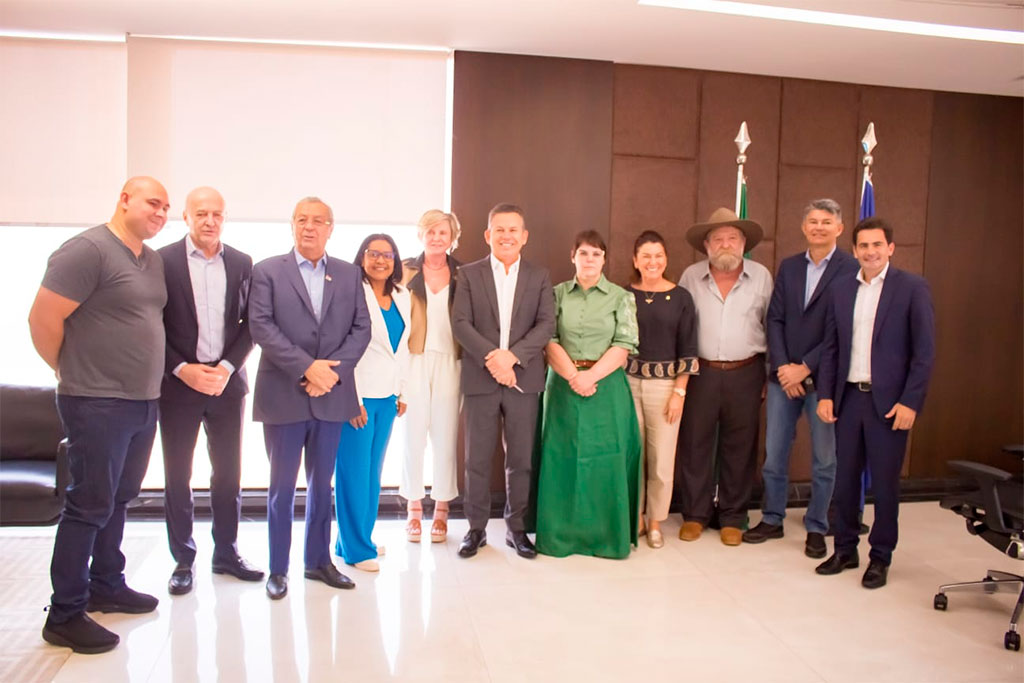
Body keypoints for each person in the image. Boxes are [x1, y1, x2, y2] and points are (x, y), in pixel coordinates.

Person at [29, 177, 169, 654]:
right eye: (153, 202)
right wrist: (72, 371)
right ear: (124, 199)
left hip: (141, 400)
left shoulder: (149, 260)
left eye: (166, 208)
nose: (161, 212)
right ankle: (66, 613)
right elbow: (42, 320)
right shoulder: (86, 250)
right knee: (87, 505)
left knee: (119, 497)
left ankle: (106, 583)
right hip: (95, 401)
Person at [249, 196, 371, 599]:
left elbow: (361, 329)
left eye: (318, 221)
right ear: (292, 225)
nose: (310, 227)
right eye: (302, 219)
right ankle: (278, 569)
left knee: (323, 486)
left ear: (331, 228)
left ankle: (317, 562)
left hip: (331, 396)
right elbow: (262, 326)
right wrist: (307, 367)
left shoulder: (349, 274)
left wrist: (329, 375)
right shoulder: (267, 271)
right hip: (283, 394)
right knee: (281, 488)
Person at [815, 217, 935, 589]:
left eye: (877, 245)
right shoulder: (840, 289)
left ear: (890, 248)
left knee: (884, 486)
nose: (870, 252)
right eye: (863, 246)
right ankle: (845, 549)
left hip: (889, 405)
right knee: (845, 481)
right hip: (849, 399)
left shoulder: (912, 288)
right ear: (855, 251)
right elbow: (831, 348)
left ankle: (880, 557)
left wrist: (910, 402)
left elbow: (924, 352)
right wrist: (825, 395)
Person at [158, 186, 263, 596]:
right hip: (178, 386)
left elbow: (250, 325)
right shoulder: (161, 261)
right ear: (185, 217)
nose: (209, 221)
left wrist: (224, 368)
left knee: (228, 474)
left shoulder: (240, 262)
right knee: (177, 475)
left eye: (216, 214)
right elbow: (154, 325)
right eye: (201, 213)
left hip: (225, 385)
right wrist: (183, 369)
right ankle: (183, 559)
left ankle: (227, 552)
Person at [743, 199, 858, 558]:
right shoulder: (790, 267)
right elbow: (774, 319)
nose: (819, 227)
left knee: (825, 458)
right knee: (774, 453)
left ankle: (817, 525)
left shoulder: (851, 268)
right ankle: (773, 518)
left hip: (824, 380)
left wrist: (805, 367)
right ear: (804, 226)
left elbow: (844, 328)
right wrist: (782, 368)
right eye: (813, 221)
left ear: (839, 228)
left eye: (827, 222)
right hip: (783, 379)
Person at [451, 203, 555, 560]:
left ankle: (516, 528)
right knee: (476, 458)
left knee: (521, 459)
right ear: (488, 235)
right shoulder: (468, 274)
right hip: (481, 378)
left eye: (514, 230)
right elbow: (461, 324)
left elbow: (546, 325)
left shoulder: (539, 276)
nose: (507, 236)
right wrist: (493, 358)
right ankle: (476, 528)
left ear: (524, 237)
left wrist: (512, 357)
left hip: (523, 379)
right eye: (500, 229)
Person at [536, 230, 642, 559]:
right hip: (563, 386)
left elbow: (625, 344)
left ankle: (605, 537)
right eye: (584, 253)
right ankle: (560, 537)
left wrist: (591, 377)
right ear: (573, 257)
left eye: (596, 254)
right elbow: (547, 337)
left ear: (604, 259)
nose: (590, 259)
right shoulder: (555, 294)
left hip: (606, 385)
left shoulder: (621, 297)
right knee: (560, 457)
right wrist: (572, 376)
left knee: (606, 459)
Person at [677, 208, 772, 546]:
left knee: (740, 446)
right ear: (706, 245)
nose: (726, 244)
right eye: (718, 238)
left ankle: (733, 515)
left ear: (744, 242)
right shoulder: (690, 276)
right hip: (700, 373)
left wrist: (766, 376)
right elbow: (682, 327)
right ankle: (695, 514)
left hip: (745, 372)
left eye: (733, 237)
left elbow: (771, 325)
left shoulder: (762, 276)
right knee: (695, 444)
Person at [334, 234, 410, 572]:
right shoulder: (351, 293)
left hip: (388, 397)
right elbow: (344, 350)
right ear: (362, 257)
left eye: (388, 254)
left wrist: (402, 391)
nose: (381, 260)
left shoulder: (401, 295)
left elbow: (403, 348)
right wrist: (351, 400)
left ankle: (353, 538)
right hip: (359, 398)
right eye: (373, 253)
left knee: (373, 474)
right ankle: (356, 549)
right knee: (353, 473)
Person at [627, 230, 698, 549]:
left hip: (666, 387)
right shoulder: (624, 295)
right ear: (635, 261)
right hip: (626, 385)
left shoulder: (681, 297)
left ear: (666, 259)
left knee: (661, 459)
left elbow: (688, 348)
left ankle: (655, 522)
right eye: (646, 256)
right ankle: (634, 521)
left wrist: (679, 393)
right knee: (633, 455)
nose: (652, 262)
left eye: (658, 256)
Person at [398, 210, 462, 544]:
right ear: (421, 234)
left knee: (445, 435)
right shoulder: (404, 270)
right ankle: (412, 509)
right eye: (431, 231)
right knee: (412, 434)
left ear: (453, 237)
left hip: (452, 360)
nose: (437, 238)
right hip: (413, 359)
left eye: (443, 232)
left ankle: (441, 511)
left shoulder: (464, 273)